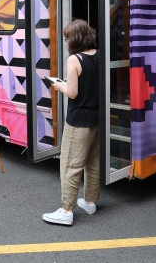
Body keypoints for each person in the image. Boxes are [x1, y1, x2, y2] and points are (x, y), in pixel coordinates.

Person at [42, 19, 100, 226]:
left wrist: (60, 86)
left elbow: (73, 92)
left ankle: (66, 211)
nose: (66, 41)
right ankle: (91, 202)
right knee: (93, 163)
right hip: (97, 118)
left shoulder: (74, 60)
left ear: (74, 39)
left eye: (67, 38)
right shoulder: (99, 55)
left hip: (79, 121)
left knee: (70, 165)